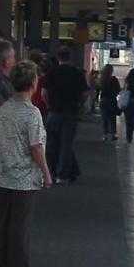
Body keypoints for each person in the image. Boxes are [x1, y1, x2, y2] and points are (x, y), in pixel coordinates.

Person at [0, 60, 53, 267]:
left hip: (2, 175)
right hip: (24, 178)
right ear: (34, 83)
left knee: (3, 222)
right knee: (21, 223)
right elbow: (36, 147)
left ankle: (2, 263)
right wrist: (46, 173)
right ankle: (18, 266)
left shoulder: (4, 109)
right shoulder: (32, 113)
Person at [42, 46, 89, 184]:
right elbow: (86, 93)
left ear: (58, 57)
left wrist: (49, 105)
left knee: (51, 144)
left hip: (54, 112)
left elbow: (44, 93)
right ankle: (62, 175)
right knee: (66, 144)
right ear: (70, 57)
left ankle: (47, 172)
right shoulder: (77, 73)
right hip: (71, 112)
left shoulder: (52, 73)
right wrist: (80, 104)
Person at [98, 64, 121, 141]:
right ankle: (113, 134)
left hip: (103, 100)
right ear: (111, 71)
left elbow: (98, 88)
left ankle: (105, 135)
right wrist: (114, 94)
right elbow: (118, 89)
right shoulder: (114, 79)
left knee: (104, 118)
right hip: (112, 100)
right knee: (112, 118)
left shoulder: (102, 79)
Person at [0, 38, 16, 107]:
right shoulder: (1, 81)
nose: (15, 60)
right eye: (13, 57)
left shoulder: (10, 79)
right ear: (7, 61)